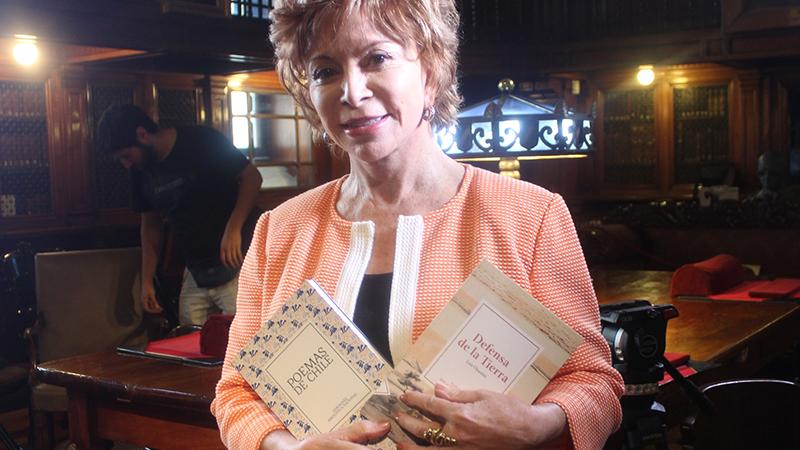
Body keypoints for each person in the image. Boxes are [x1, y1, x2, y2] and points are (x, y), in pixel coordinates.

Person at [212, 1, 624, 449]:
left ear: (430, 71)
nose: (352, 91)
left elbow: (594, 384)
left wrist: (537, 425)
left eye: (377, 59)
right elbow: (237, 393)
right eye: (325, 71)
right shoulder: (280, 231)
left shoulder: (531, 215)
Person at [96, 104, 263, 326]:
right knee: (189, 343)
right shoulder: (140, 171)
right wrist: (147, 280)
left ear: (142, 134)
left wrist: (233, 228)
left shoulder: (201, 140)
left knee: (245, 340)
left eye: (127, 155)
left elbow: (252, 177)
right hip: (195, 269)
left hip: (238, 260)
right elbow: (150, 226)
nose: (127, 164)